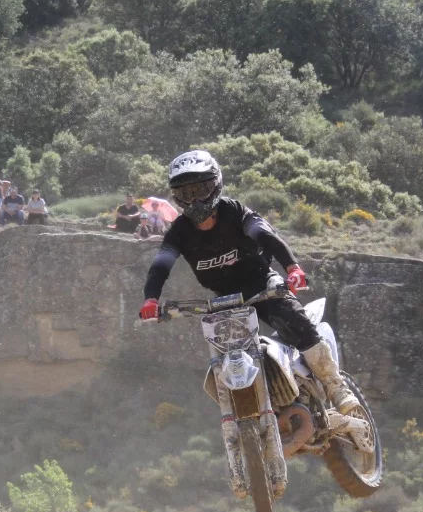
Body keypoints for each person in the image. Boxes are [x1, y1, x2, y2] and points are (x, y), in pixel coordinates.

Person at [137, 149, 360, 416]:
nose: (194, 200)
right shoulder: (179, 232)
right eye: (186, 194)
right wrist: (151, 299)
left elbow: (268, 237)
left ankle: (336, 387)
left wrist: (293, 268)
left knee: (294, 320)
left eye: (200, 189)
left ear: (216, 185)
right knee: (223, 355)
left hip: (262, 285)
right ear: (177, 197)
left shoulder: (235, 212)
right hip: (224, 298)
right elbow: (161, 265)